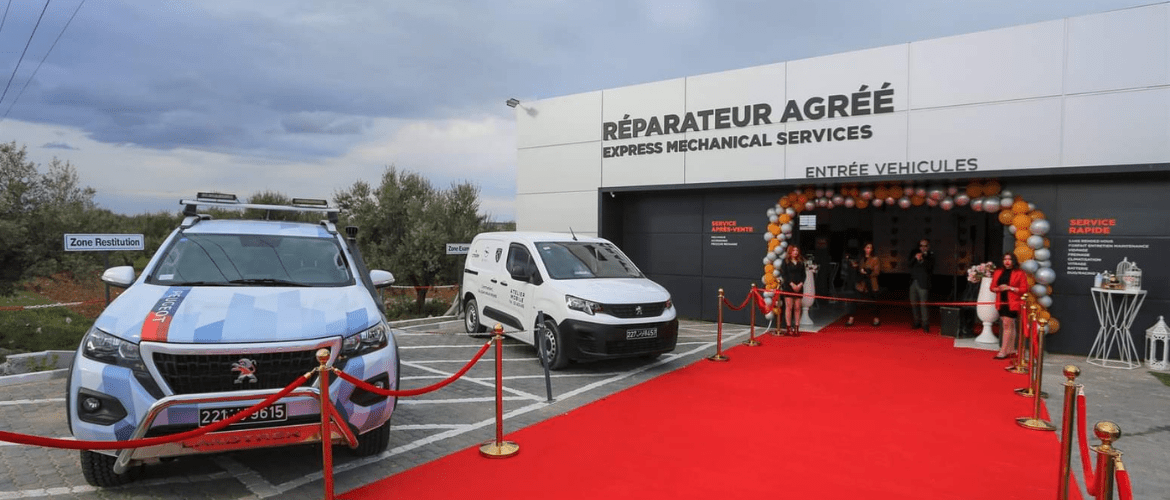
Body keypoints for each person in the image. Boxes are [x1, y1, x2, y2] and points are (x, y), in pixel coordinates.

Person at [992, 252, 1029, 360]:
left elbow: (1024, 289)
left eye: (1010, 259)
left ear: (1014, 261)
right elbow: (992, 287)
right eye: (1005, 259)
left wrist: (1009, 288)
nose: (1007, 261)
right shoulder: (998, 272)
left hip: (1012, 303)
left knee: (1007, 325)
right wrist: (999, 289)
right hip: (1001, 301)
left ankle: (1003, 351)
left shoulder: (1020, 273)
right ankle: (1011, 349)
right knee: (1010, 325)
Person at [846, 242, 881, 327]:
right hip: (862, 282)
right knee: (854, 300)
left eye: (870, 248)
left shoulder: (875, 259)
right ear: (864, 249)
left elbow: (877, 272)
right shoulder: (861, 258)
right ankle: (851, 319)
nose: (868, 249)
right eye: (867, 247)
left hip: (871, 282)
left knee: (873, 301)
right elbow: (858, 268)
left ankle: (876, 319)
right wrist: (854, 265)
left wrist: (867, 272)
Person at [908, 239, 935, 332]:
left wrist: (922, 260)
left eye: (925, 246)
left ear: (928, 247)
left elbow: (930, 268)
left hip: (923, 283)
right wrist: (915, 258)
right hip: (913, 282)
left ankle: (925, 324)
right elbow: (909, 265)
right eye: (921, 246)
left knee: (923, 304)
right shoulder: (914, 254)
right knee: (913, 303)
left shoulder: (930, 256)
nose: (923, 248)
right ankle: (916, 322)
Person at [778, 245, 806, 336]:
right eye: (794, 250)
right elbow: (784, 275)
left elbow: (804, 275)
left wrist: (800, 284)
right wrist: (792, 284)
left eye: (797, 250)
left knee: (797, 307)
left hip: (799, 287)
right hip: (789, 286)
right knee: (789, 307)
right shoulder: (785, 262)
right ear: (790, 252)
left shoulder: (801, 262)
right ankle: (789, 328)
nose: (796, 252)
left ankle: (797, 328)